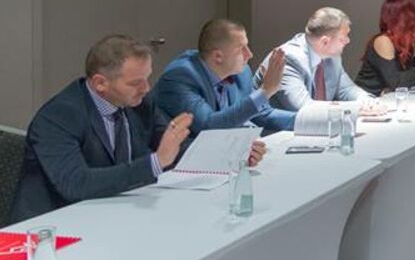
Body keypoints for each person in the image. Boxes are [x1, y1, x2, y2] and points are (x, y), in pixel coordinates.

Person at [9, 34, 263, 224]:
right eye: (135, 83)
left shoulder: (140, 103)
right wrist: (155, 163)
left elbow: (175, 147)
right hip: (51, 227)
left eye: (147, 78)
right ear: (100, 83)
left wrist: (233, 153)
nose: (146, 89)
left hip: (115, 213)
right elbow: (76, 184)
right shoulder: (58, 117)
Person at [154, 19, 296, 135]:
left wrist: (307, 122)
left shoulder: (242, 73)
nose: (250, 54)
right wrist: (265, 92)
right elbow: (209, 127)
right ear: (218, 56)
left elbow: (261, 114)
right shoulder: (180, 77)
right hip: (183, 157)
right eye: (241, 49)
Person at [258, 7, 369, 111]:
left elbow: (347, 89)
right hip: (275, 125)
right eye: (343, 38)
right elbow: (305, 108)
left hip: (313, 124)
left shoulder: (332, 56)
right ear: (324, 42)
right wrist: (356, 108)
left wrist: (368, 101)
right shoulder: (290, 59)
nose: (348, 41)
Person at [356, 0, 415, 94]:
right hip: (368, 97)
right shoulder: (383, 41)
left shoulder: (408, 39)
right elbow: (395, 82)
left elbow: (413, 77)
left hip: (391, 96)